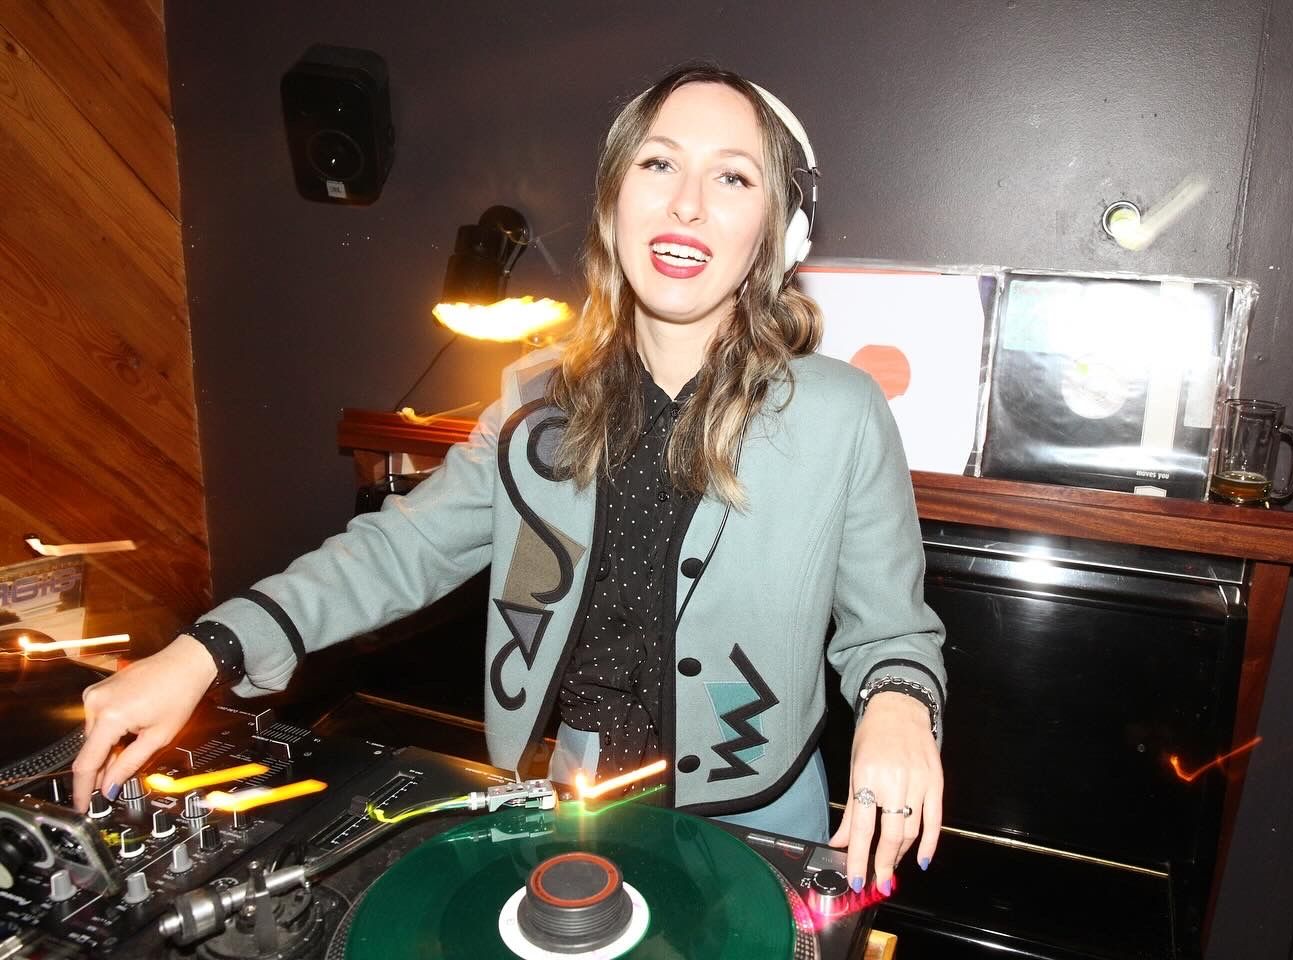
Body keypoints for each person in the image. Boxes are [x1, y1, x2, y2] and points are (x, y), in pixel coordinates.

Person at [72, 64, 946, 895]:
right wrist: (206, 649)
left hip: (760, 822)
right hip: (571, 804)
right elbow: (401, 549)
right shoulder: (533, 398)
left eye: (732, 177)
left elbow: (893, 630)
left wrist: (901, 704)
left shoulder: (843, 412)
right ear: (614, 200)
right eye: (658, 163)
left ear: (776, 232)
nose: (687, 201)